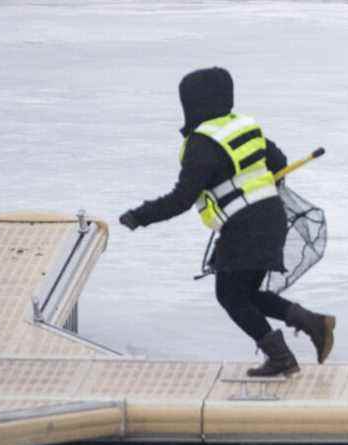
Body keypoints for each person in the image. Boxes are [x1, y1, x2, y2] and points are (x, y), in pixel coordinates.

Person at [119, 67, 334, 377]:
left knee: (231, 296)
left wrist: (140, 216)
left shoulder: (202, 144)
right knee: (245, 294)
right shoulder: (243, 126)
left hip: (245, 226)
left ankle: (282, 358)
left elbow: (181, 199)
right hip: (270, 217)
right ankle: (314, 323)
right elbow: (278, 162)